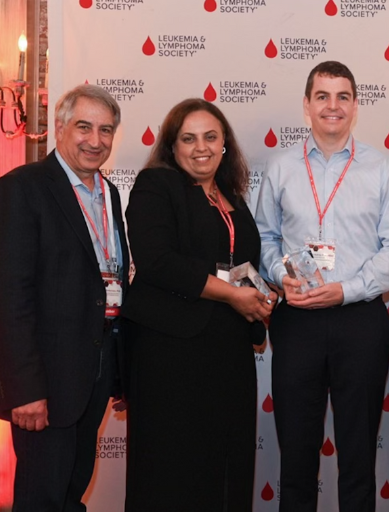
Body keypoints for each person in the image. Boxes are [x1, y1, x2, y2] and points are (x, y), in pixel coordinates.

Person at [254, 60, 389, 511]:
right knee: (296, 453)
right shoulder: (282, 166)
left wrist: (348, 289)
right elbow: (264, 235)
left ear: (355, 106)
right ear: (306, 105)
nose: (332, 105)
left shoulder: (380, 169)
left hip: (359, 320)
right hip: (297, 318)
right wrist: (279, 275)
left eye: (343, 96)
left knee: (358, 454)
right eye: (322, 96)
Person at [0, 84, 128, 511]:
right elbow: (8, 297)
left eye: (106, 130)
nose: (96, 141)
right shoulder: (22, 188)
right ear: (59, 128)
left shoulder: (109, 195)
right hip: (43, 379)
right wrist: (24, 388)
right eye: (84, 127)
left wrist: (118, 371)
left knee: (71, 494)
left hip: (93, 372)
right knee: (41, 498)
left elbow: (106, 284)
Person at [121, 98, 275, 511]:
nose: (200, 147)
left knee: (228, 462)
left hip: (228, 351)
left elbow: (241, 265)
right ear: (172, 147)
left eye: (211, 136)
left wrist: (260, 296)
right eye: (188, 138)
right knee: (173, 468)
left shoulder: (233, 198)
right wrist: (233, 295)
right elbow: (157, 262)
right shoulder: (156, 185)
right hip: (170, 352)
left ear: (225, 144)